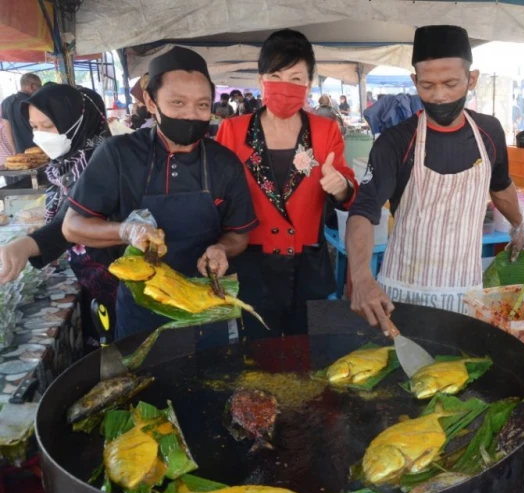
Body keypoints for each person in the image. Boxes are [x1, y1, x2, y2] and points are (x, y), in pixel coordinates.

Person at [61, 47, 259, 342]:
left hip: (204, 300)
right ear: (152, 103)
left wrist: (222, 250)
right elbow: (72, 226)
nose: (191, 114)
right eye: (178, 103)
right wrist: (126, 231)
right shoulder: (118, 155)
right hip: (142, 306)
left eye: (202, 105)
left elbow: (238, 235)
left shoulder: (225, 163)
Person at [346, 25, 524, 330]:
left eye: (450, 83)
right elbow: (363, 211)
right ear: (414, 81)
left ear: (472, 79)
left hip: (464, 295)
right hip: (400, 297)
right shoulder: (396, 141)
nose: (439, 96)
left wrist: (519, 225)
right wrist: (361, 277)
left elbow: (501, 186)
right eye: (427, 86)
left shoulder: (489, 132)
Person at [215, 30, 358, 339]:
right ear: (260, 80)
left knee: (308, 357)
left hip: (307, 266)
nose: (285, 86)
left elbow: (349, 191)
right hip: (250, 266)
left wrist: (342, 185)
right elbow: (217, 194)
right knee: (257, 357)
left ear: (308, 84)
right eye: (275, 75)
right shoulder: (232, 130)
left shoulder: (325, 130)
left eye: (295, 78)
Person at [0, 85, 117, 346]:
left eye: (48, 126)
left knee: (112, 341)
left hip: (109, 273)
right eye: (34, 126)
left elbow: (72, 217)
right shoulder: (65, 162)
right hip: (85, 268)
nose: (39, 135)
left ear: (75, 121)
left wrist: (29, 245)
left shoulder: (101, 161)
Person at [1, 73, 42, 153]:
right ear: (32, 86)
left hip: (20, 151)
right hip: (38, 150)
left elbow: (7, 128)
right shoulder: (33, 101)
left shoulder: (5, 102)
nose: (40, 90)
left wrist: (14, 149)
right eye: (39, 86)